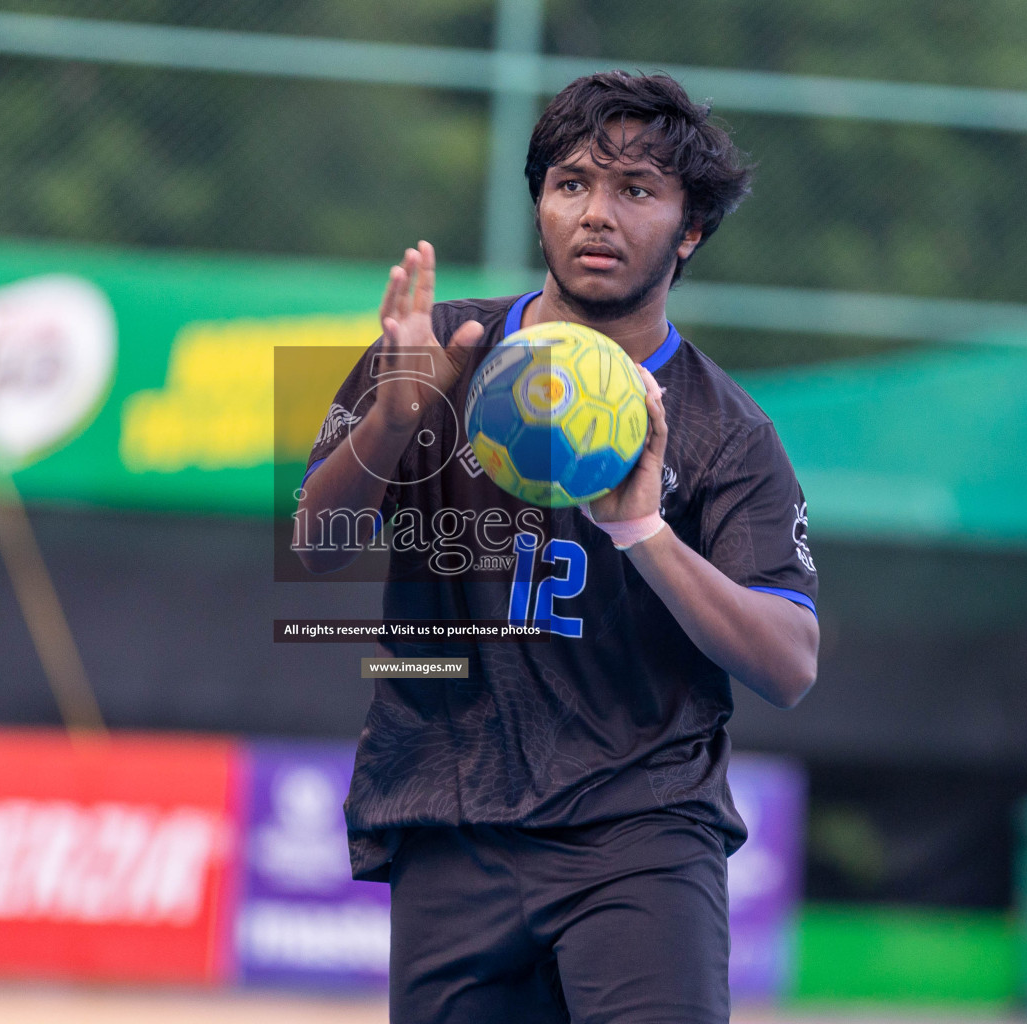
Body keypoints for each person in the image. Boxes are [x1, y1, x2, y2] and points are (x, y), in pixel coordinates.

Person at [296, 70, 819, 1024]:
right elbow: (317, 546)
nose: (597, 215)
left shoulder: (726, 433)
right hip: (451, 812)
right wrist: (393, 420)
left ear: (690, 229)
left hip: (640, 831)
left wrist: (642, 532)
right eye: (572, 183)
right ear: (539, 204)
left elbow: (788, 662)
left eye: (638, 191)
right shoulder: (436, 350)